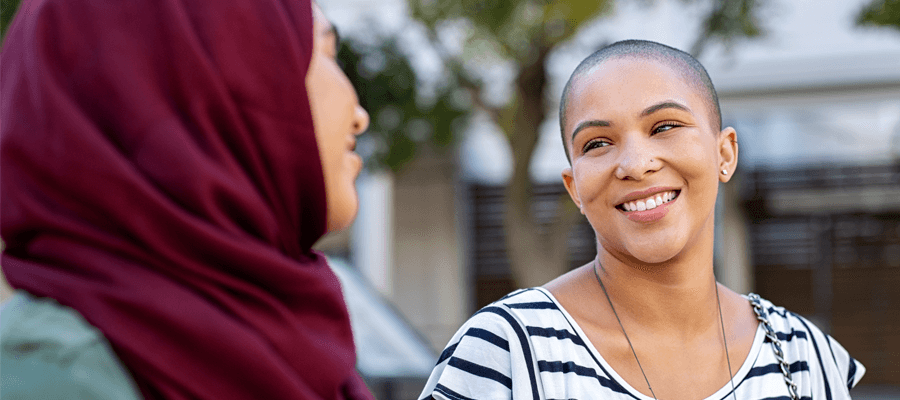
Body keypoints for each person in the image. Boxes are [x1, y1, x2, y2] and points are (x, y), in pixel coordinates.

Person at [419, 40, 865, 400]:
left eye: (664, 127)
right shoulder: (507, 352)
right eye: (597, 143)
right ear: (575, 188)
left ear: (724, 154)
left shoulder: (803, 355)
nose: (634, 163)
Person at [0, 0, 373, 399]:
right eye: (326, 53)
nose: (359, 116)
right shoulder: (52, 376)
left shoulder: (297, 347)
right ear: (223, 81)